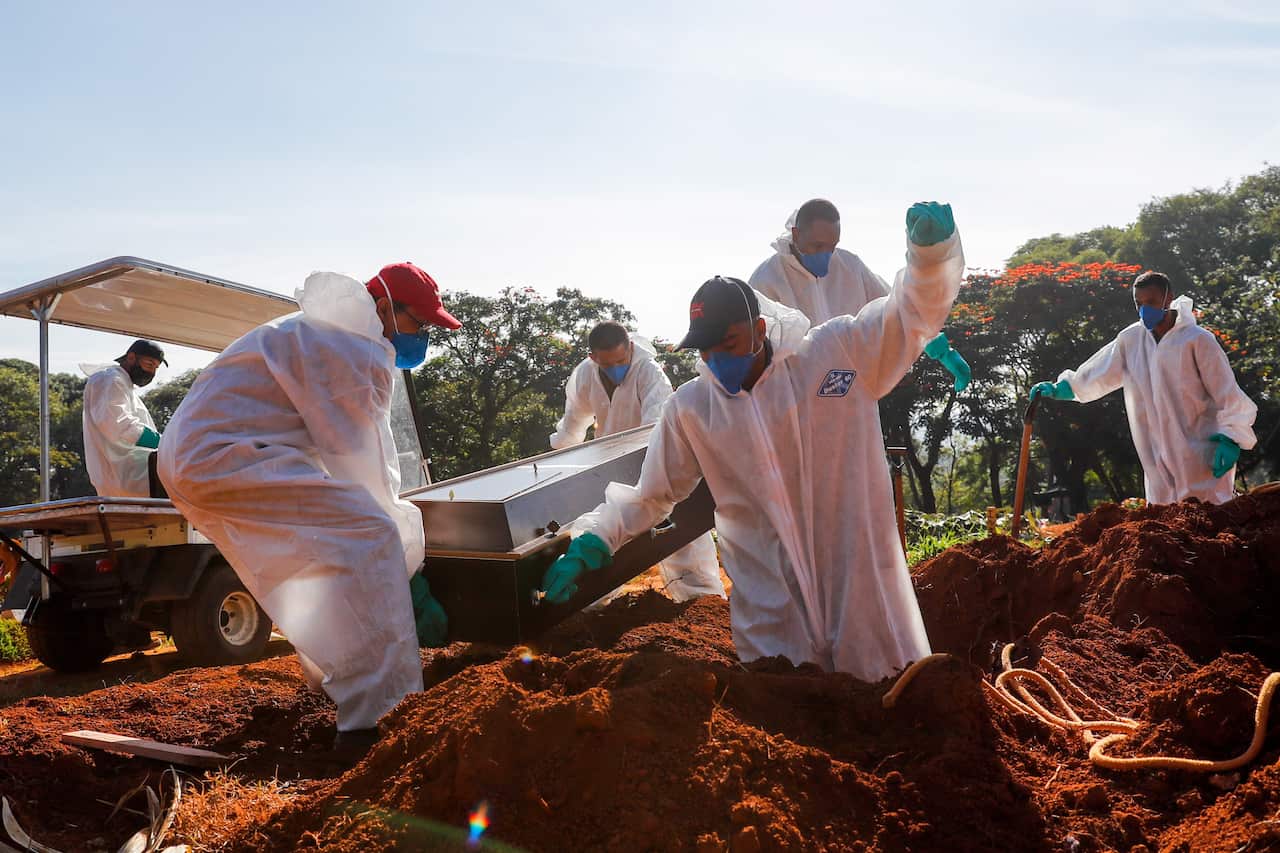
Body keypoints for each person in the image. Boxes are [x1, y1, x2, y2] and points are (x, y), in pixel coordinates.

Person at [539, 202, 964, 679]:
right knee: (786, 720)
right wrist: (591, 541)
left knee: (888, 698)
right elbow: (650, 495)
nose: (718, 360)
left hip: (860, 590)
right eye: (707, 349)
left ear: (761, 330)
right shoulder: (694, 409)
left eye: (730, 344)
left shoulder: (833, 354)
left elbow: (909, 313)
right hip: (772, 615)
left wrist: (930, 257)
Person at [159, 262, 459, 747]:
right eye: (418, 324)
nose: (421, 335)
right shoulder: (352, 348)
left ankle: (331, 681)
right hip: (228, 459)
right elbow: (365, 467)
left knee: (314, 556)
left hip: (199, 459)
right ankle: (381, 717)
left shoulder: (319, 331)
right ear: (384, 308)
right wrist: (407, 564)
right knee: (372, 535)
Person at [1030, 270, 1257, 505]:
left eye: (1151, 302)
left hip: (1200, 455)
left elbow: (1226, 392)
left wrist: (1231, 438)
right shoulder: (1131, 339)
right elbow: (1099, 372)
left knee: (1208, 521)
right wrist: (1061, 388)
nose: (1144, 310)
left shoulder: (1197, 340)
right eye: (1138, 303)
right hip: (1156, 458)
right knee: (1163, 527)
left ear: (1168, 299)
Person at [549, 321, 725, 602]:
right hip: (608, 467)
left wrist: (650, 474)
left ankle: (700, 598)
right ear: (593, 358)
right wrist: (558, 470)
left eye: (621, 361)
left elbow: (654, 428)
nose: (616, 368)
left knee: (678, 529)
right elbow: (572, 426)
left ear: (630, 348)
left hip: (653, 462)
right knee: (605, 530)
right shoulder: (584, 375)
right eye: (607, 364)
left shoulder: (649, 373)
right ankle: (594, 601)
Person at [749, 198, 970, 392]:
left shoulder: (849, 266)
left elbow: (899, 311)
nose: (825, 255)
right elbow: (754, 354)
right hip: (796, 401)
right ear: (796, 234)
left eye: (831, 247)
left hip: (853, 395)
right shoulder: (767, 280)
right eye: (817, 246)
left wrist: (941, 350)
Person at [81, 339, 167, 498]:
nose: (152, 373)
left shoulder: (122, 384)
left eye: (156, 368)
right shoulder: (110, 379)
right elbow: (120, 426)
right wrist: (165, 443)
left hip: (130, 478)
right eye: (149, 364)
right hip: (129, 476)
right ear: (131, 357)